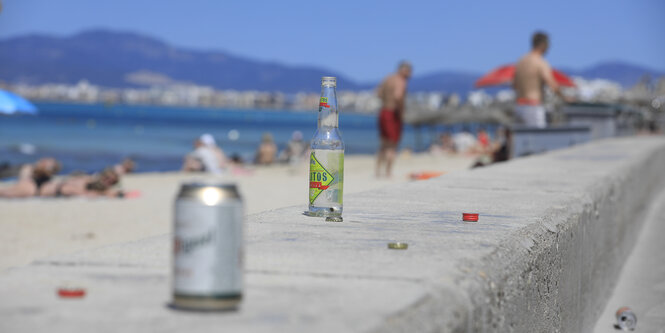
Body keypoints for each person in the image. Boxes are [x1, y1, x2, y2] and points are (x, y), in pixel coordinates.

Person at [513, 31, 573, 128]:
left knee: (522, 140)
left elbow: (514, 85)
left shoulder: (521, 61)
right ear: (543, 45)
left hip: (519, 106)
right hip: (533, 106)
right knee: (538, 139)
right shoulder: (540, 62)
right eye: (548, 44)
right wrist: (564, 97)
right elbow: (552, 84)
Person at [376, 61, 412, 178]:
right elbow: (398, 95)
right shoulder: (401, 81)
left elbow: (378, 93)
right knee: (392, 145)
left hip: (383, 111)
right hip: (393, 113)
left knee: (383, 144)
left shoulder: (388, 78)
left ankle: (377, 171)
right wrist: (401, 110)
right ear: (404, 70)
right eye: (409, 72)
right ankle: (388, 172)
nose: (410, 75)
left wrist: (386, 100)